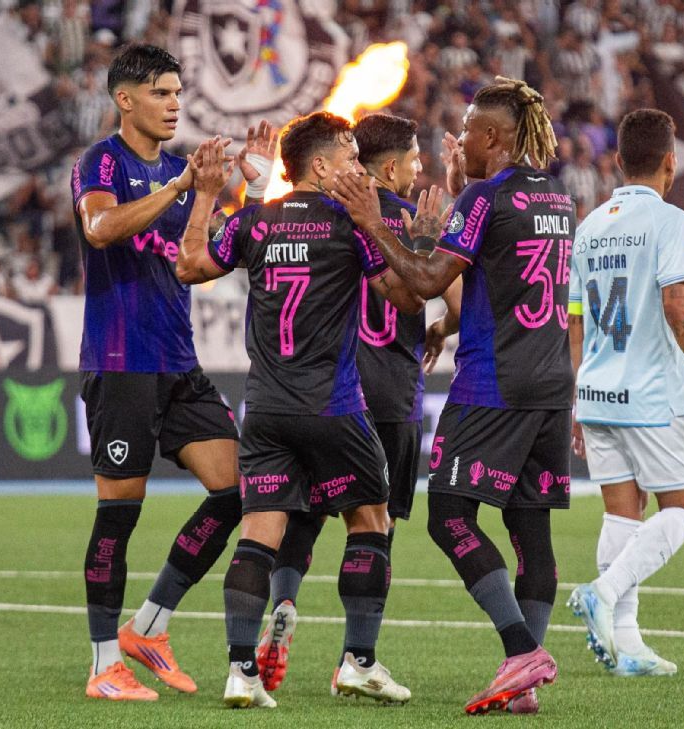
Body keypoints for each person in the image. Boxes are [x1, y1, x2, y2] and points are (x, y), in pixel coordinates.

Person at [328, 76, 572, 715]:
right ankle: (523, 684)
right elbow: (503, 276)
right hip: (551, 382)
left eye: (466, 130)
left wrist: (372, 223)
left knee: (449, 516)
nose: (459, 140)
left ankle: (521, 650)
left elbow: (428, 278)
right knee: (530, 527)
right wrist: (463, 193)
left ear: (491, 135)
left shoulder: (486, 198)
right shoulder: (558, 196)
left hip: (494, 384)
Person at [177, 112, 421, 709]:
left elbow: (189, 266)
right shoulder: (348, 222)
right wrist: (389, 229)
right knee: (371, 521)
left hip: (265, 408)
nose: (358, 168)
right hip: (333, 405)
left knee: (258, 535)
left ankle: (241, 673)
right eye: (348, 157)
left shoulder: (255, 220)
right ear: (319, 166)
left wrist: (208, 193)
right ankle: (359, 662)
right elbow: (408, 297)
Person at [70, 44, 277, 702]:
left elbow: (204, 255)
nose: (174, 104)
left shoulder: (176, 172)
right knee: (118, 514)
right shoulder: (103, 161)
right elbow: (101, 227)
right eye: (161, 93)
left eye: (178, 93)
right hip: (121, 362)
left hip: (179, 363)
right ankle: (103, 664)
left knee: (237, 491)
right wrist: (182, 188)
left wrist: (246, 189)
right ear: (125, 99)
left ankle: (148, 627)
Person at [254, 112, 461, 693]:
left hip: (323, 388)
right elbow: (453, 301)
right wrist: (440, 329)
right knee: (375, 525)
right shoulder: (404, 219)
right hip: (390, 392)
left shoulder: (321, 214)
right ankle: (357, 655)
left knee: (302, 516)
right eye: (413, 160)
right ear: (388, 169)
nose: (418, 170)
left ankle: (284, 602)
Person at [563, 108, 684, 677]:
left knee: (622, 514)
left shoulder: (588, 228)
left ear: (617, 161)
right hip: (651, 393)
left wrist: (579, 396)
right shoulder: (670, 221)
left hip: (598, 391)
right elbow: (678, 303)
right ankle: (603, 593)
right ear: (670, 163)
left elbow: (575, 321)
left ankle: (627, 645)